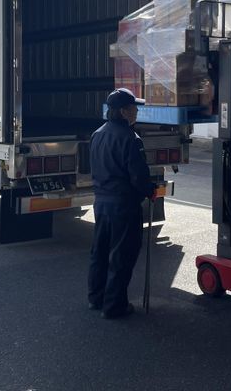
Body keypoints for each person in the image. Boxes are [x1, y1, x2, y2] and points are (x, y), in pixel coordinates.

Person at [87, 88, 155, 319]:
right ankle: (114, 306)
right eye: (134, 107)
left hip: (101, 202)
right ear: (124, 112)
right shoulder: (130, 138)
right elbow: (138, 176)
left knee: (100, 251)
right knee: (122, 255)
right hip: (123, 204)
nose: (136, 111)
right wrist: (149, 190)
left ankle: (96, 298)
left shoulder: (97, 134)